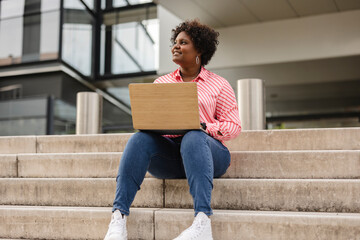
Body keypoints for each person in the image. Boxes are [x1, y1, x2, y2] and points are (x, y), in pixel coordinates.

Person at [104, 19, 241, 240]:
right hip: (171, 157)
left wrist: (204, 126)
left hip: (208, 153)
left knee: (194, 136)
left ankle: (203, 222)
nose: (176, 46)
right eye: (175, 42)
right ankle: (118, 219)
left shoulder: (219, 84)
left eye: (183, 42)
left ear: (200, 50)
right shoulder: (162, 83)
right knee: (139, 139)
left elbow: (233, 126)